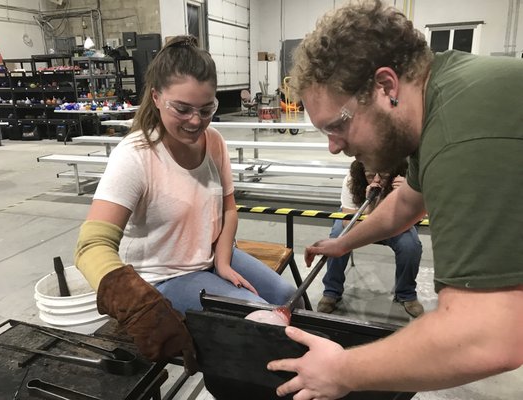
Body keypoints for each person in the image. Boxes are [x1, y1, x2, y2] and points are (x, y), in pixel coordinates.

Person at [267, 1, 523, 398]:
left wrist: (341, 371)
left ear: (385, 87)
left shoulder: (460, 135)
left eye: (337, 126)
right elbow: (406, 205)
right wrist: (343, 243)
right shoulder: (440, 101)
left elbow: (487, 337)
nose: (334, 148)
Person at [74, 35, 298, 373]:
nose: (196, 121)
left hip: (210, 254)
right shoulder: (135, 157)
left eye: (206, 110)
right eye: (182, 109)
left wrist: (223, 261)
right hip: (166, 275)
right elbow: (91, 245)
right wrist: (135, 302)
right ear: (156, 97)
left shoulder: (214, 141)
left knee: (286, 296)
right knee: (261, 320)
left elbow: (228, 209)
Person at [318, 159, 424, 318]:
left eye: (383, 175)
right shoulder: (352, 180)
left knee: (410, 245)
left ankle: (406, 293)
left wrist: (407, 193)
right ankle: (332, 290)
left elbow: (414, 218)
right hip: (359, 216)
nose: (376, 180)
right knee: (337, 236)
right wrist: (370, 206)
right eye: (369, 175)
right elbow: (348, 222)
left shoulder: (407, 179)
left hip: (395, 220)